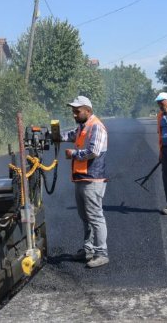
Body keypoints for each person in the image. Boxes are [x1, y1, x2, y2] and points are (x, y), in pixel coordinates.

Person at [61, 95, 109, 268]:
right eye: (73, 111)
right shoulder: (83, 126)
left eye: (77, 111)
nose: (74, 114)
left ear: (87, 110)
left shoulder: (96, 127)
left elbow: (93, 152)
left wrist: (73, 154)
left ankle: (102, 253)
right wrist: (53, 136)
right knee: (85, 217)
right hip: (81, 178)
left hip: (92, 179)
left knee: (95, 217)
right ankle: (88, 250)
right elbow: (70, 135)